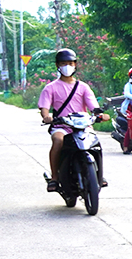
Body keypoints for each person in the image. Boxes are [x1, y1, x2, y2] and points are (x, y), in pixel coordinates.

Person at [38, 48, 110, 192]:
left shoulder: (83, 87)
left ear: (75, 65)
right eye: (64, 63)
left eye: (70, 63)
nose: (67, 66)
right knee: (58, 140)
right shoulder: (50, 88)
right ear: (57, 65)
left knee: (95, 143)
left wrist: (99, 115)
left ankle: (99, 175)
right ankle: (55, 178)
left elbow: (93, 106)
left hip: (82, 125)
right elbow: (44, 107)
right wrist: (47, 116)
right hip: (61, 125)